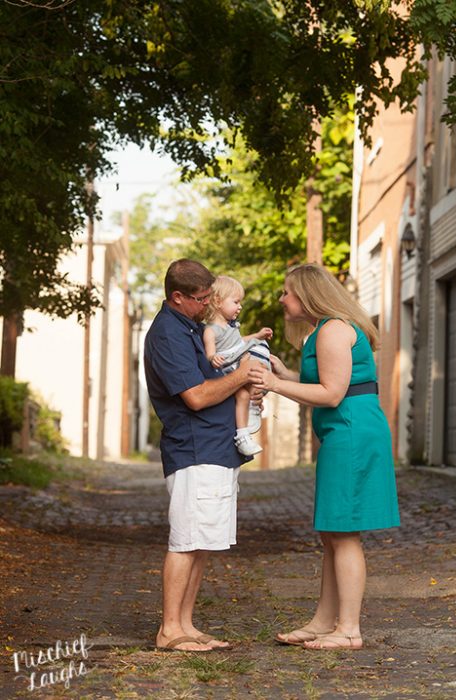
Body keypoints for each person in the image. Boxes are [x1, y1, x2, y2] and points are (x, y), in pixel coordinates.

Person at [251, 263, 400, 650]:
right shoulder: (324, 330)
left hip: (351, 434)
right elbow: (331, 383)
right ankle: (323, 622)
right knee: (333, 530)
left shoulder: (333, 330)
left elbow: (332, 394)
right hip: (347, 431)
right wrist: (288, 374)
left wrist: (275, 383)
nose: (282, 299)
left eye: (288, 291)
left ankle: (348, 629)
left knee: (344, 531)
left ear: (308, 294)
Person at [143, 259, 262, 653]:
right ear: (177, 297)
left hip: (216, 445)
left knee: (203, 541)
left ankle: (187, 624)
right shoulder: (168, 335)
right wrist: (242, 376)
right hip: (194, 449)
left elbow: (214, 380)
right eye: (201, 298)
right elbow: (195, 397)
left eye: (211, 296)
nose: (207, 304)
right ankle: (169, 630)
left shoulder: (192, 326)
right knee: (186, 540)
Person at [202, 275, 273, 457]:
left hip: (239, 357)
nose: (240, 306)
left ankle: (254, 404)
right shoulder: (210, 330)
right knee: (241, 394)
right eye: (236, 301)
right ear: (218, 301)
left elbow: (239, 342)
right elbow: (210, 352)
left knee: (261, 357)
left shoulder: (230, 326)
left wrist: (256, 335)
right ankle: (242, 436)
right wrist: (213, 357)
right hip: (230, 365)